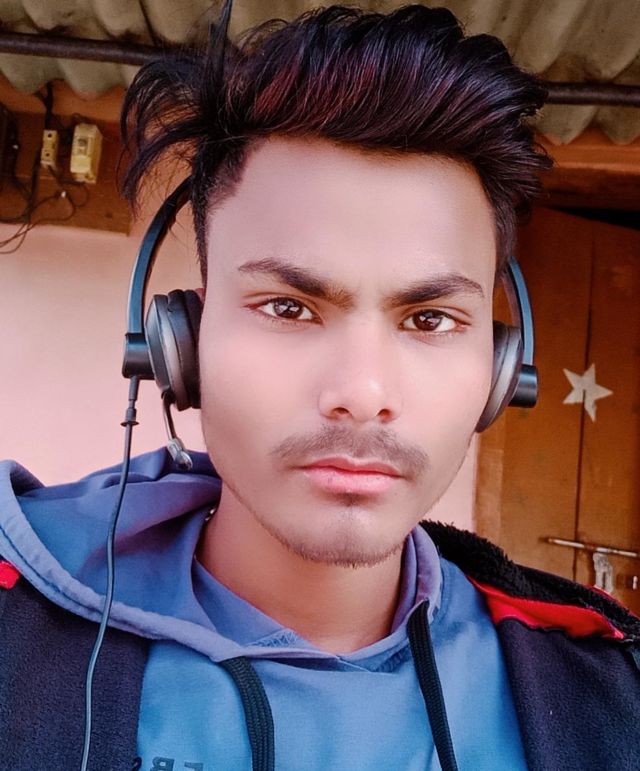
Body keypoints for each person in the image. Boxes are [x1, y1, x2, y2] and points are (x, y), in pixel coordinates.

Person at [1, 3, 639, 770]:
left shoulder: (609, 688)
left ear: (502, 371)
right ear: (181, 344)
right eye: (288, 307)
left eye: (430, 318)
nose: (362, 392)